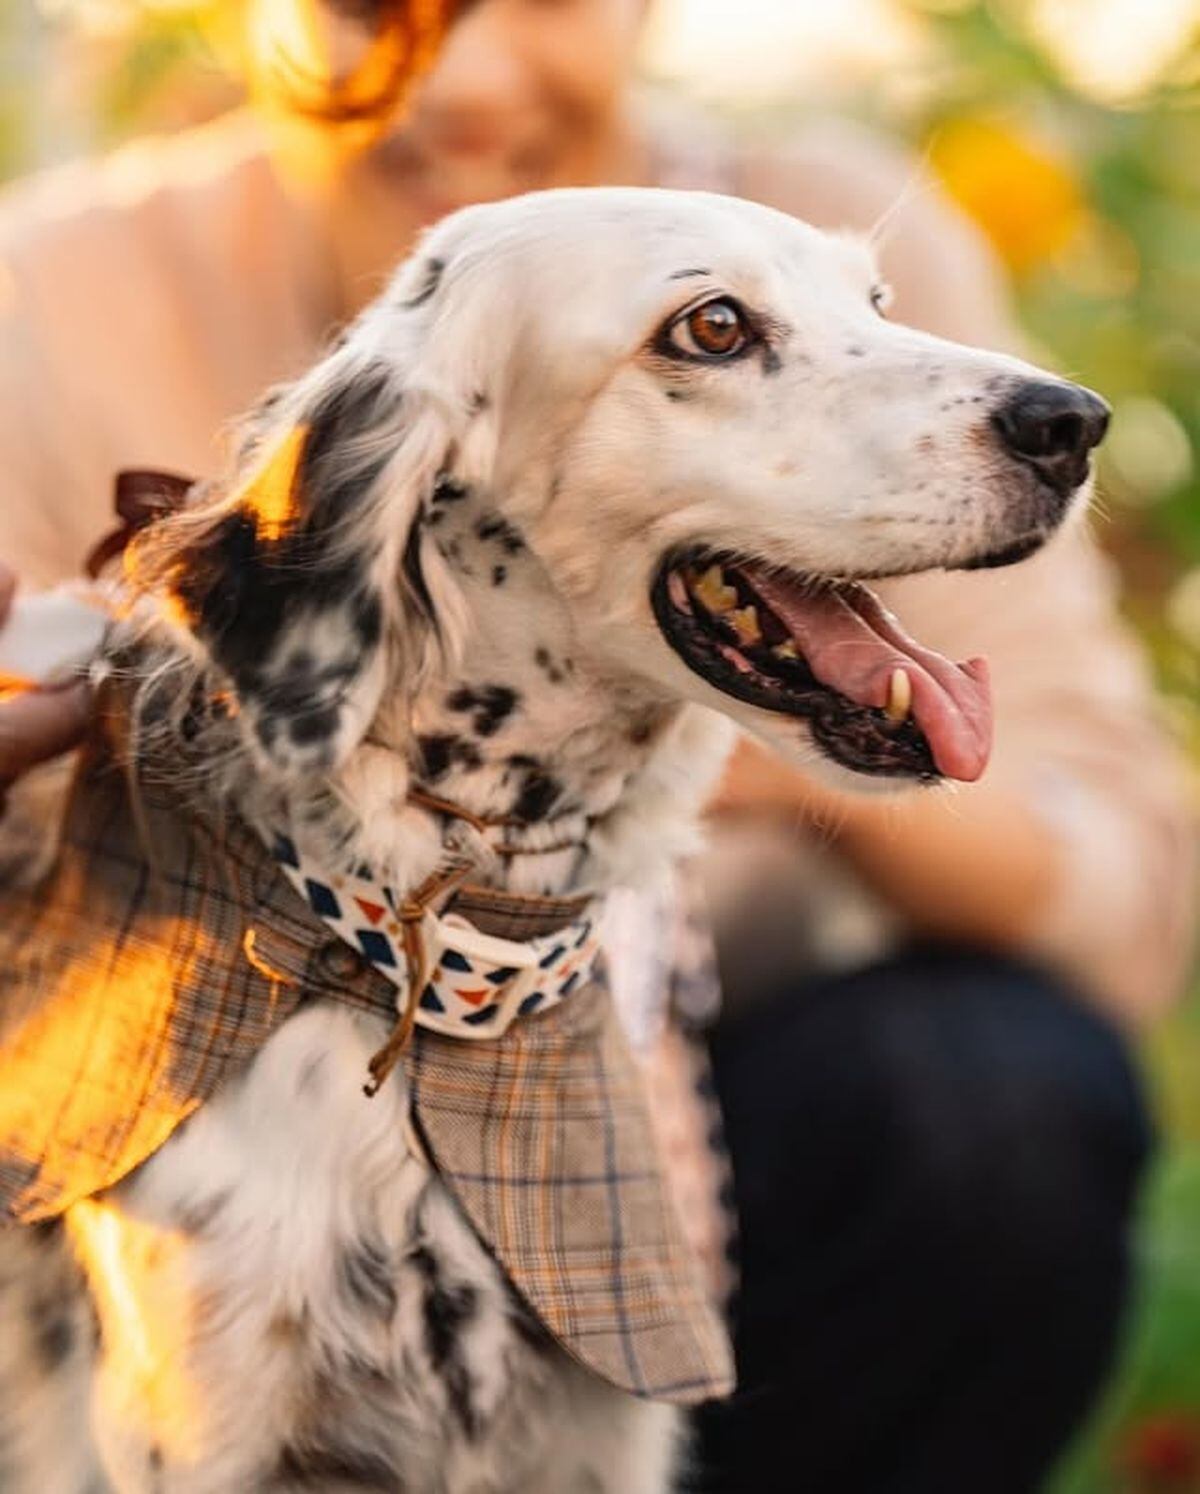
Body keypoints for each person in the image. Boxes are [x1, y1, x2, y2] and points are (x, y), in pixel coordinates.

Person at [0, 2, 1192, 1488]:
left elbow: (1129, 894)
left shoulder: (805, 196)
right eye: (373, 7)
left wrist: (667, 836)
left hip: (765, 1097)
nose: (470, 79)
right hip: (220, 1068)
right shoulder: (55, 289)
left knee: (995, 1098)